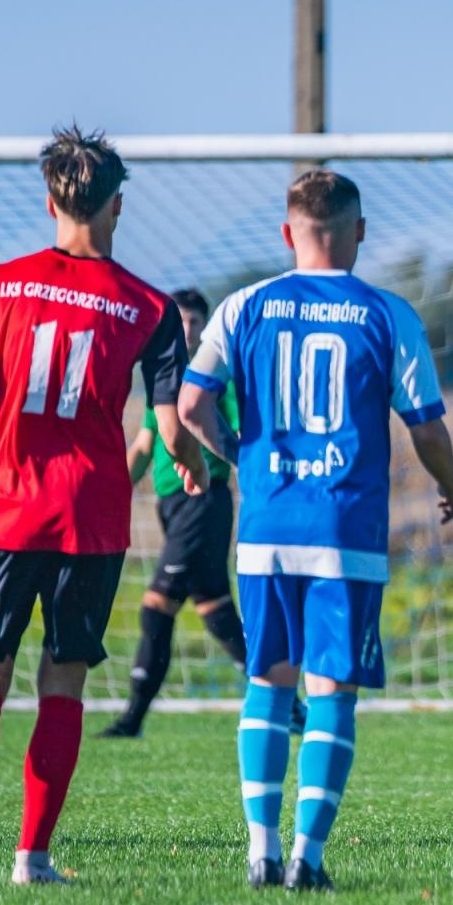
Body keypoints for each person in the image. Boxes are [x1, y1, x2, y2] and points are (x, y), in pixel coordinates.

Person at [0, 125, 207, 886]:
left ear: (50, 199)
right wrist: (188, 463)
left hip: (6, 508)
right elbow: (171, 424)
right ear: (117, 206)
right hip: (91, 514)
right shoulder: (148, 308)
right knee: (64, 677)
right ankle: (32, 856)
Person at [179, 169, 453, 892]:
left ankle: (259, 852)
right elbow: (427, 425)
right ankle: (307, 857)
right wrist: (451, 486)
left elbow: (189, 405)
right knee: (333, 689)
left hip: (268, 524)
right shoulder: (387, 312)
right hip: (347, 528)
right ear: (360, 231)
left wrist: (235, 456)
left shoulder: (244, 305)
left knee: (268, 682)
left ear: (288, 233)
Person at [101, 288, 306, 739]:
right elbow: (144, 444)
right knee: (217, 612)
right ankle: (288, 702)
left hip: (203, 499)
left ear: (206, 327)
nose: (188, 329)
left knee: (157, 607)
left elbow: (235, 429)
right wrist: (111, 490)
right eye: (181, 321)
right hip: (173, 507)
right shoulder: (164, 377)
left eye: (195, 322)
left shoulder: (215, 379)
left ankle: (131, 719)